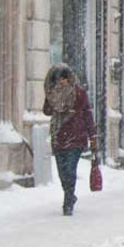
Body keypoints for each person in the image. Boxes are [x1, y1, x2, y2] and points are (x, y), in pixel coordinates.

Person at [43, 64, 96, 215]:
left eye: (64, 78)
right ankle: (70, 194)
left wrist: (92, 134)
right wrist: (50, 98)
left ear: (69, 78)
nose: (61, 81)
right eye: (58, 79)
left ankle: (67, 201)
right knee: (62, 171)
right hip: (59, 137)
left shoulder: (79, 93)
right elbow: (46, 111)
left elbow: (87, 114)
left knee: (70, 169)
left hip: (76, 137)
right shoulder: (52, 94)